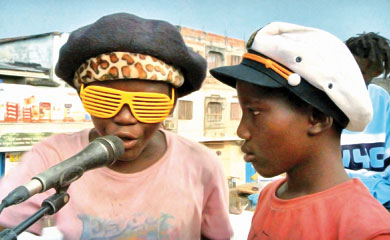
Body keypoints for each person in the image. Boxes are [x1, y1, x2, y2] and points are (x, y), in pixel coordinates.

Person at [0, 13, 233, 240]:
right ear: (83, 99)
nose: (125, 118)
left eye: (148, 104)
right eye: (104, 100)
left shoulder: (202, 164)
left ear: (171, 106)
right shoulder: (51, 156)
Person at [210, 22, 390, 239]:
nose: (241, 131)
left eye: (255, 112)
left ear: (317, 118)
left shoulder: (367, 230)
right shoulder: (270, 196)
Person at [341, 32, 390, 210]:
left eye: (370, 73)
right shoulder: (324, 103)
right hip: (336, 201)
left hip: (379, 202)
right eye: (357, 71)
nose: (362, 80)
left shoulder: (381, 99)